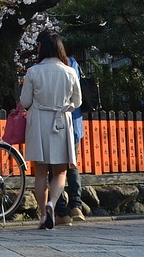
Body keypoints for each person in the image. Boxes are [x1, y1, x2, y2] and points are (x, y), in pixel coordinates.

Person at [19, 30, 83, 231]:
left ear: (42, 48)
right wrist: (65, 108)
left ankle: (42, 215)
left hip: (39, 122)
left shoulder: (33, 71)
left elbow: (25, 102)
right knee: (60, 171)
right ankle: (52, 204)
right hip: (61, 121)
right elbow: (77, 101)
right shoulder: (70, 71)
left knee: (40, 172)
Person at [54, 55, 87, 225]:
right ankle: (76, 206)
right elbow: (78, 97)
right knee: (72, 165)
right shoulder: (72, 63)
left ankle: (61, 211)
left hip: (55, 123)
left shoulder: (48, 65)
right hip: (74, 120)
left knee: (55, 168)